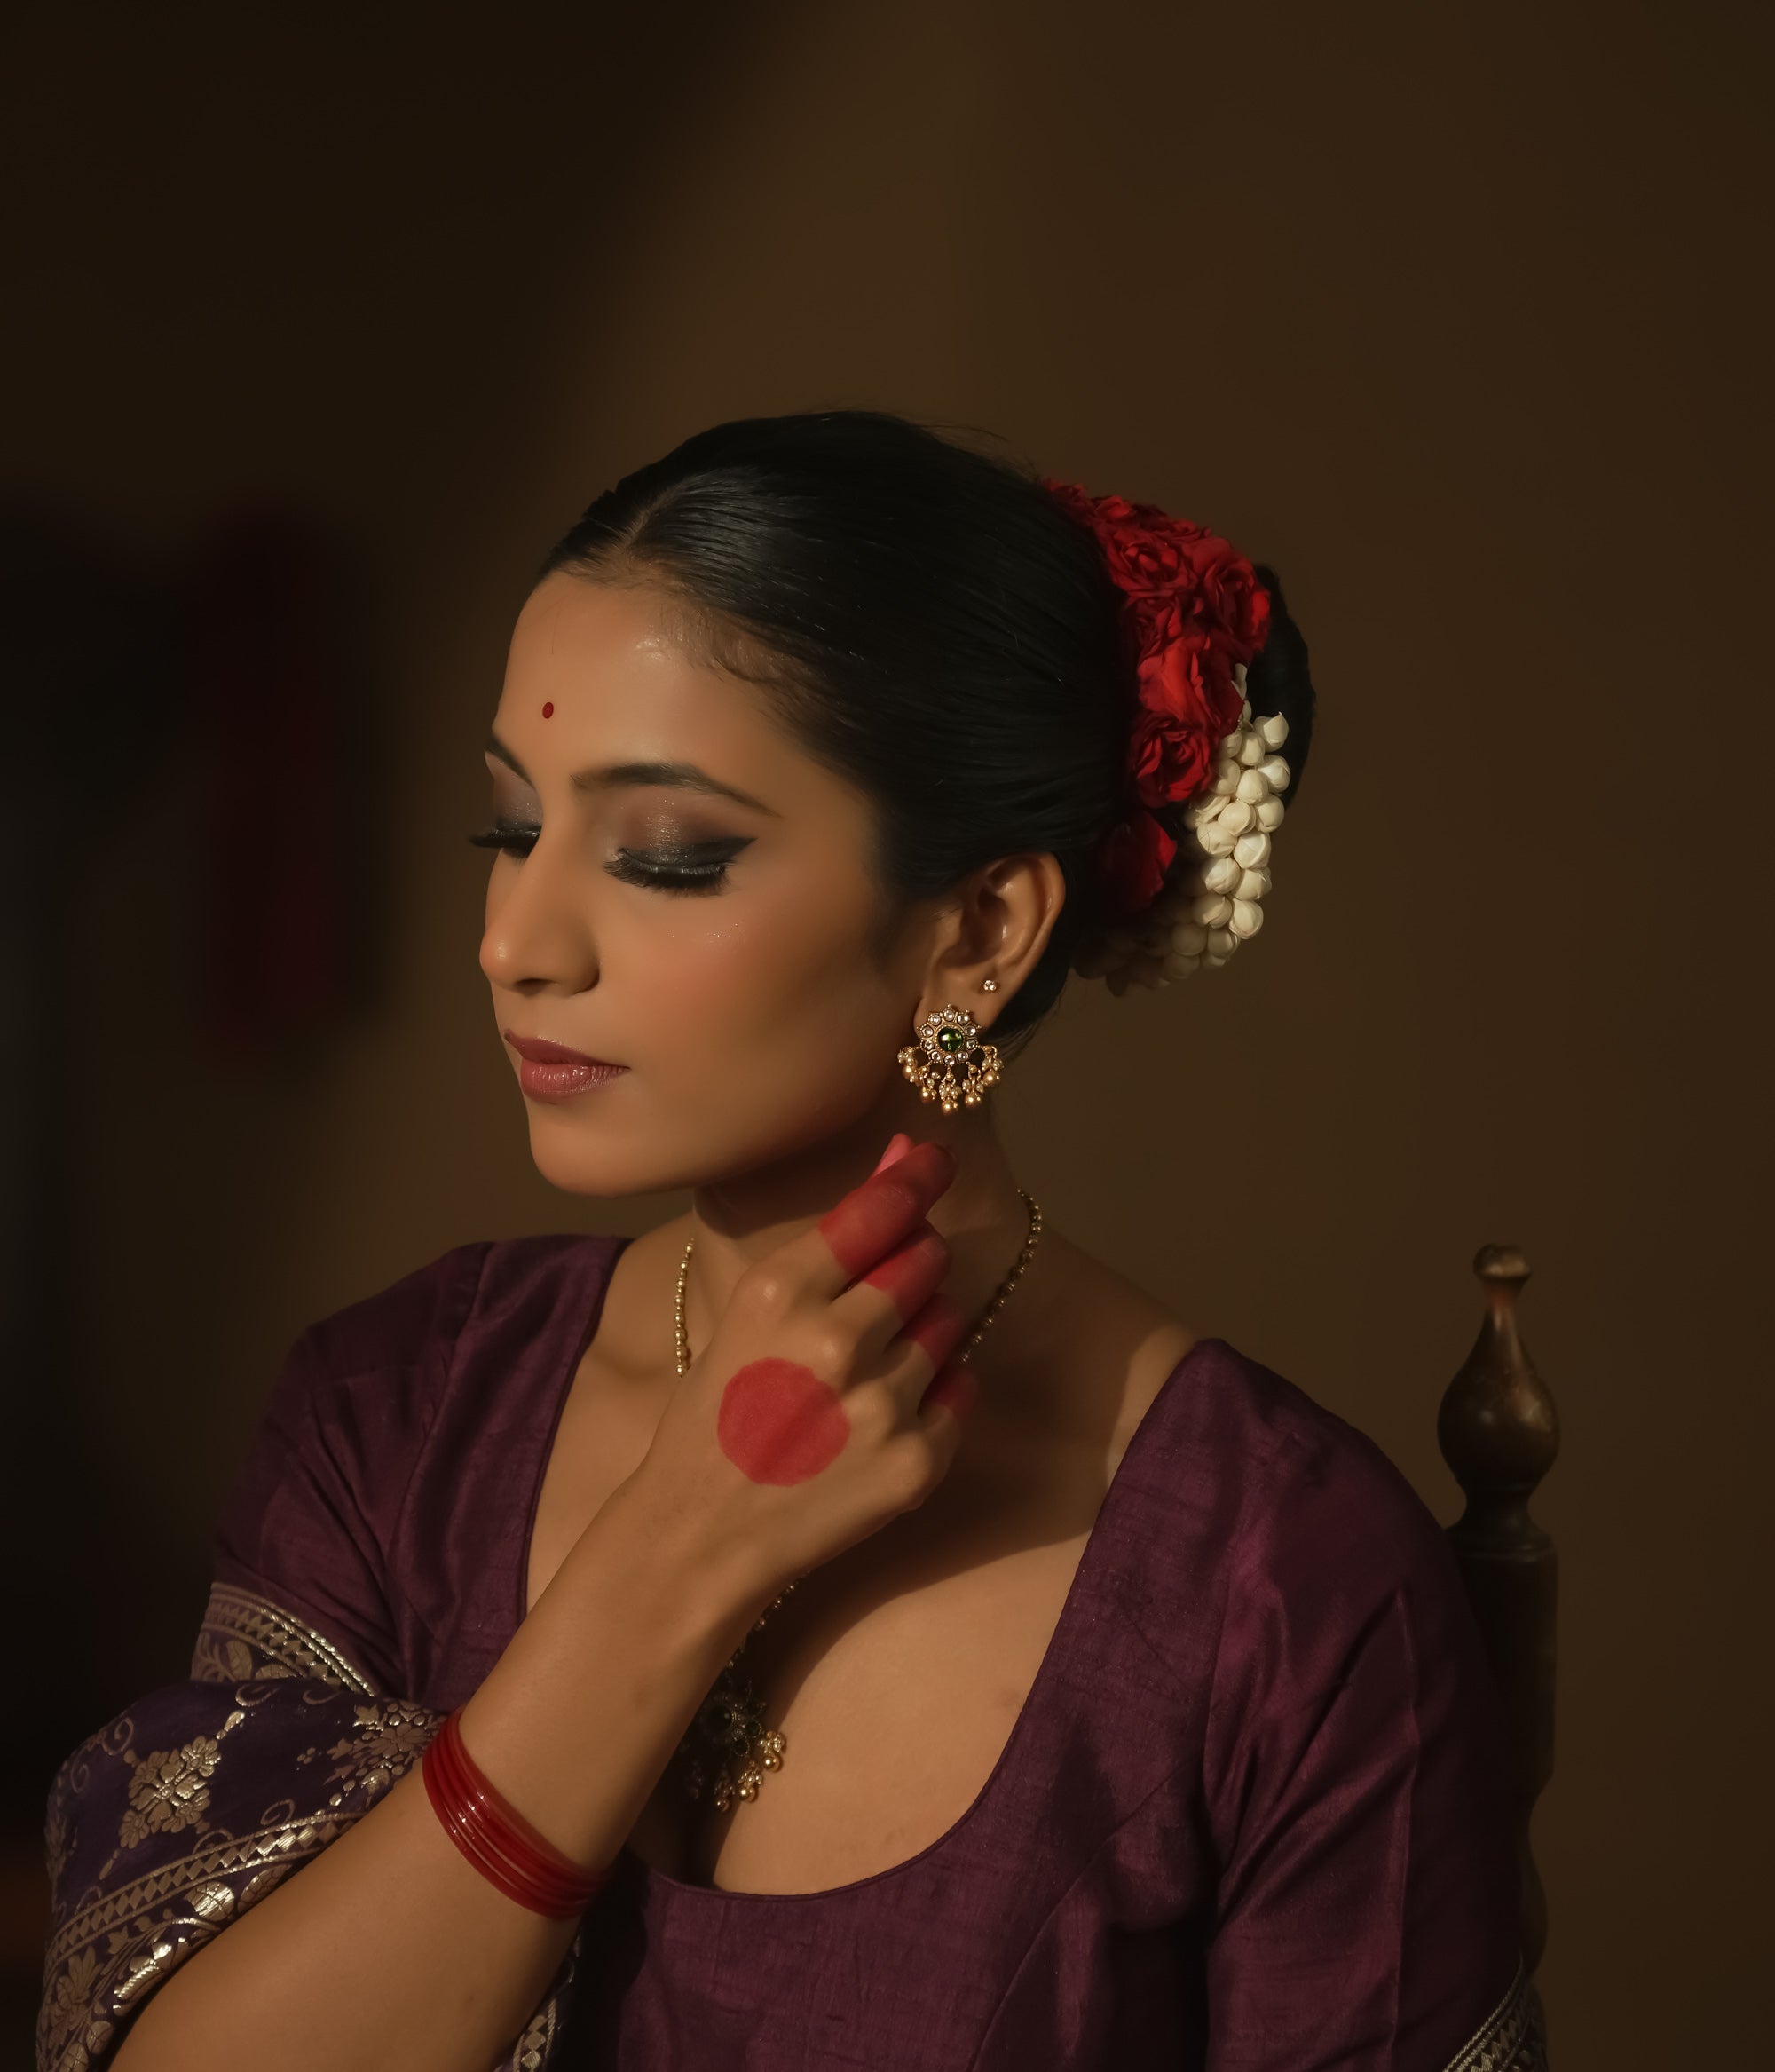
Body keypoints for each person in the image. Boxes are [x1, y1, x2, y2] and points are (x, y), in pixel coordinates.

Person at [38, 409, 1546, 2070]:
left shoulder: (1275, 1582)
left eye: (666, 854)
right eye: (509, 828)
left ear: (977, 929)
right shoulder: (405, 1413)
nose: (513, 940)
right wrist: (675, 1555)